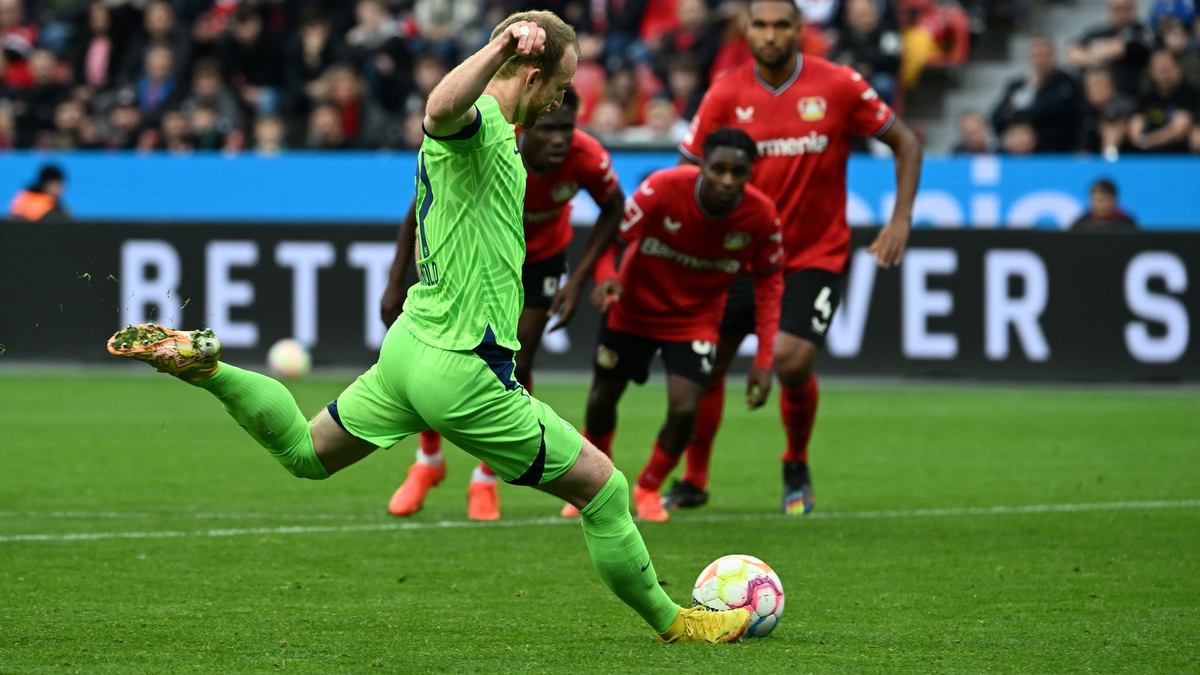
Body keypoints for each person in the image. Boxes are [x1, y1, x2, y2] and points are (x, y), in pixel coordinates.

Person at [105, 10, 750, 645]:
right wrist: (499, 46)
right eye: (560, 84)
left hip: (410, 349)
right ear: (529, 72)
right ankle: (678, 623)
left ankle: (211, 369)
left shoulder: (492, 131)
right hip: (463, 365)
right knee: (606, 491)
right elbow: (439, 108)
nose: (560, 100)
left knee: (305, 452)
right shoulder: (485, 122)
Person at [674, 0, 923, 516]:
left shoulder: (840, 85)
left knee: (790, 359)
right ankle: (695, 479)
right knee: (706, 365)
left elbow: (906, 143)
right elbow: (688, 167)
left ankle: (795, 463)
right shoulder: (726, 91)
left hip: (814, 252)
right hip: (738, 257)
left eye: (781, 25)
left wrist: (899, 219)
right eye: (760, 25)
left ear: (799, 30)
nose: (769, 35)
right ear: (746, 29)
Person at [381, 88, 626, 521]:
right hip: (477, 258)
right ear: (527, 127)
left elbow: (613, 208)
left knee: (519, 357)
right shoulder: (492, 143)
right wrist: (395, 278)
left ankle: (486, 477)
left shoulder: (587, 157)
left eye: (566, 130)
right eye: (548, 129)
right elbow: (423, 199)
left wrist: (578, 281)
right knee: (435, 357)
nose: (559, 140)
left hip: (540, 260)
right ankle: (428, 462)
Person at [587, 128, 784, 522]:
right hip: (632, 311)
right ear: (701, 167)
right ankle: (594, 483)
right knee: (601, 400)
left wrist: (764, 360)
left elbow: (769, 284)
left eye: (738, 172)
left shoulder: (761, 216)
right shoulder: (661, 188)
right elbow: (614, 238)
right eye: (719, 169)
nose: (728, 180)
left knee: (684, 409)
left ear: (750, 173)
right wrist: (607, 274)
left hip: (694, 322)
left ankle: (648, 488)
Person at [990, 37, 1081, 153]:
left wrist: (1019, 110)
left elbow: (1052, 111)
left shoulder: (1067, 83)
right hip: (1020, 153)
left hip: (1057, 151)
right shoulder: (1018, 85)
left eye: (1045, 55)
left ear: (1054, 57)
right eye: (1037, 55)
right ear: (1029, 58)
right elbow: (997, 117)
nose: (1041, 60)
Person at [1067, 0, 1154, 97]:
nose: (1120, 14)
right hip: (1094, 97)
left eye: (1124, 9)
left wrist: (1091, 53)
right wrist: (1098, 56)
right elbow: (1073, 52)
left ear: (1133, 10)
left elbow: (1118, 49)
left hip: (1128, 95)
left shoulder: (1141, 32)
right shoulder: (1099, 32)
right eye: (1116, 9)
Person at [1129, 50, 1197, 154]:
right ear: (1151, 72)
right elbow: (1136, 124)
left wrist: (1147, 141)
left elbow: (1180, 128)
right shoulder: (1148, 98)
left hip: (1183, 154)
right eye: (1160, 70)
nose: (1165, 76)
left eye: (1167, 68)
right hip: (1151, 156)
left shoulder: (1190, 95)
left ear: (1177, 68)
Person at [1070, 178, 1137, 231]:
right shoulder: (1081, 224)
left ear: (1114, 199)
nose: (1100, 206)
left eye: (1103, 200)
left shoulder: (1126, 224)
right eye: (1096, 200)